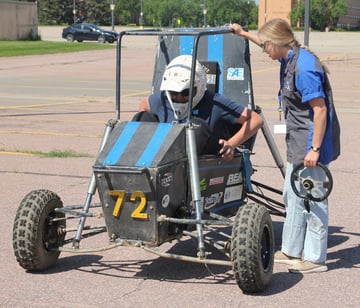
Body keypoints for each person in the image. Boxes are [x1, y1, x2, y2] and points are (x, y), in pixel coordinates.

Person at [231, 19, 340, 273]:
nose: (264, 51)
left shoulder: (304, 69)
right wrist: (243, 33)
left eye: (266, 46)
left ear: (276, 43)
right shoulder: (288, 56)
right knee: (292, 196)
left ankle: (314, 258)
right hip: (297, 141)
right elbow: (264, 41)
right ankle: (291, 250)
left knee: (313, 199)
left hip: (311, 144)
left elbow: (320, 110)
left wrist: (314, 149)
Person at [135, 54, 263, 161]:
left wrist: (231, 144)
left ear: (198, 86)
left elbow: (256, 119)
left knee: (195, 126)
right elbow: (144, 106)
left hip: (202, 159)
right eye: (174, 93)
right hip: (164, 158)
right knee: (141, 117)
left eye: (185, 93)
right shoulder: (161, 99)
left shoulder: (215, 102)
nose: (179, 97)